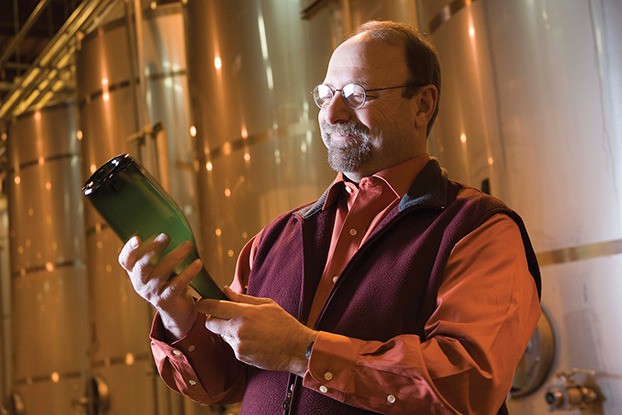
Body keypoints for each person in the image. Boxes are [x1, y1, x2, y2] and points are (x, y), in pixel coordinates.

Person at [119, 20, 541, 414]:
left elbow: (467, 382)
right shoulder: (277, 238)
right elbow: (223, 384)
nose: (332, 113)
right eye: (325, 94)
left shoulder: (476, 229)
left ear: (423, 105)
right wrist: (177, 313)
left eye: (356, 94)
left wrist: (302, 351)